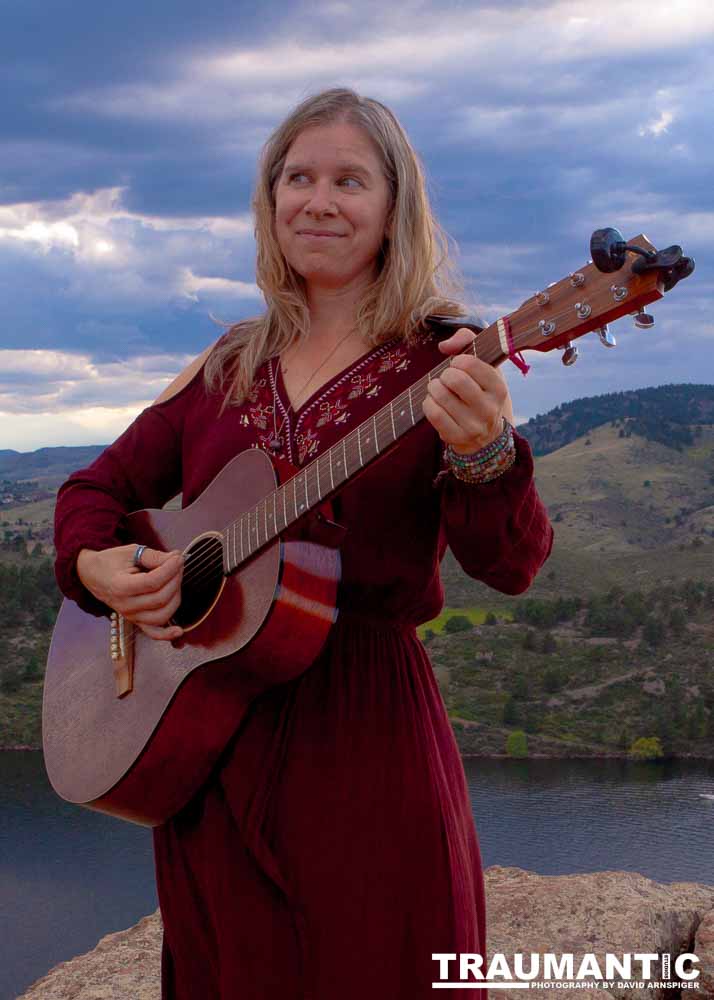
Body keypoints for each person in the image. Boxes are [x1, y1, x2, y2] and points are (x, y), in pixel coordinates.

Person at [53, 87, 554, 999]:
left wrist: (487, 457)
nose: (319, 201)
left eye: (350, 180)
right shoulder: (226, 367)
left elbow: (511, 565)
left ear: (394, 208)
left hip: (362, 744)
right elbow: (94, 489)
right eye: (299, 177)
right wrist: (98, 566)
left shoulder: (443, 361)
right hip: (207, 737)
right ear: (270, 198)